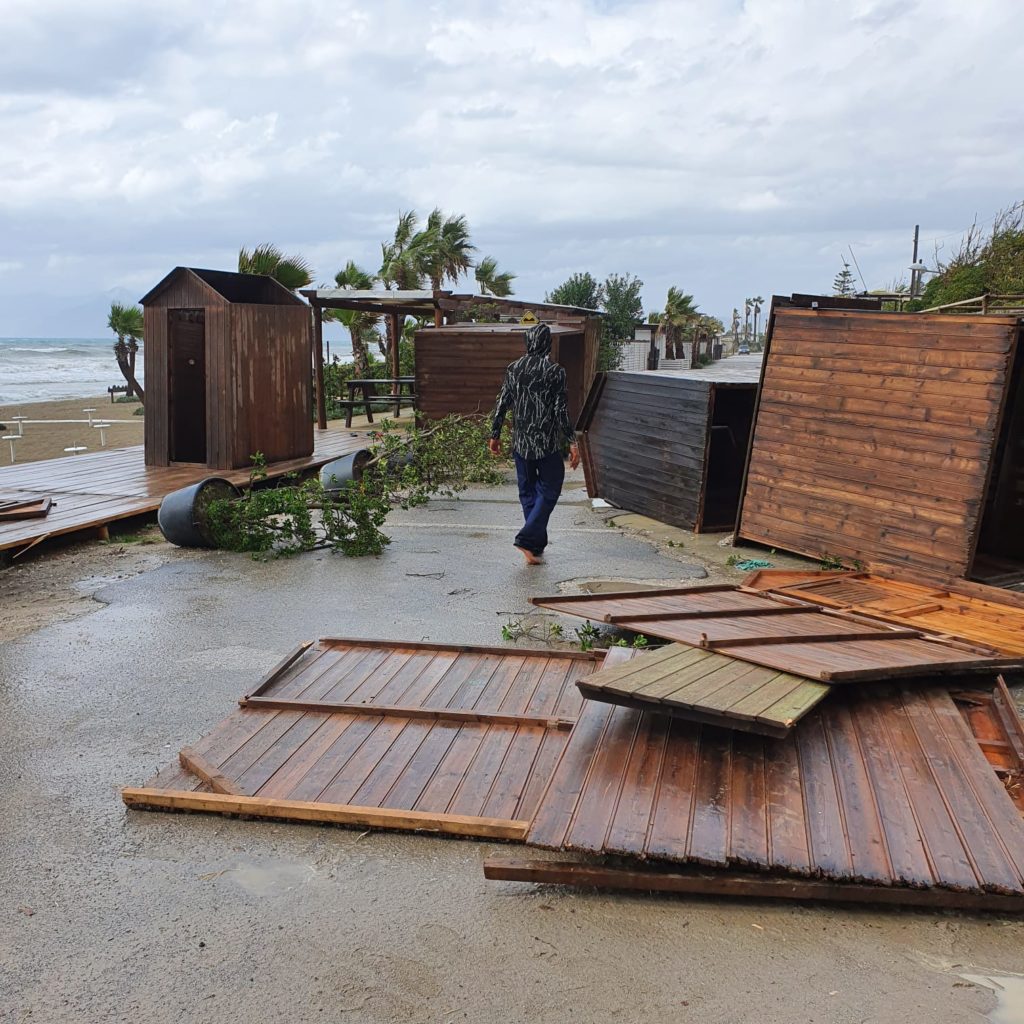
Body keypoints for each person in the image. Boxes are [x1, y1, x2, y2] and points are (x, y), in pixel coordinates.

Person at [488, 322, 580, 564]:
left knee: (527, 491)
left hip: (521, 444)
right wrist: (572, 441)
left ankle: (534, 546)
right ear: (547, 344)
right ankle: (527, 540)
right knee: (550, 488)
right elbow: (561, 410)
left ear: (527, 343)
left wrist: (494, 434)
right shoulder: (555, 371)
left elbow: (502, 404)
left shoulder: (513, 369)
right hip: (547, 443)